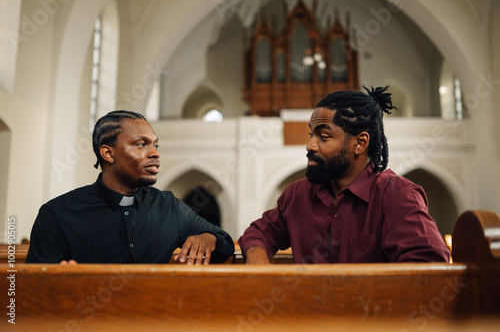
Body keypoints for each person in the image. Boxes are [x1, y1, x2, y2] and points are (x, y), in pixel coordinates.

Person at [238, 86, 450, 264]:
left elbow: (428, 266)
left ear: (360, 143)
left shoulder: (397, 196)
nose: (310, 145)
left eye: (324, 136)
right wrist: (257, 257)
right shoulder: (297, 195)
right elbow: (259, 232)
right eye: (312, 134)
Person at [26, 110, 234, 264]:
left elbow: (225, 243)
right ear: (108, 154)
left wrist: (208, 237)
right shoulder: (57, 214)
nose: (155, 153)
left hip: (154, 318)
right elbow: (31, 292)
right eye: (141, 144)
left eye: (155, 145)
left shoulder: (168, 206)